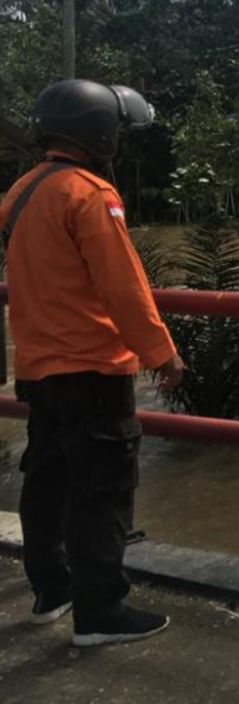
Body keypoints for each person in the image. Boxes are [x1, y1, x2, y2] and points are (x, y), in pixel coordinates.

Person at [1, 79, 185, 647]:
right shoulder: (86, 193)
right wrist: (163, 352)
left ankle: (51, 591)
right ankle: (100, 612)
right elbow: (123, 287)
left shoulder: (20, 192)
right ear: (99, 132)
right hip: (91, 366)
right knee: (102, 488)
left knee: (48, 480)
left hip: (37, 367)